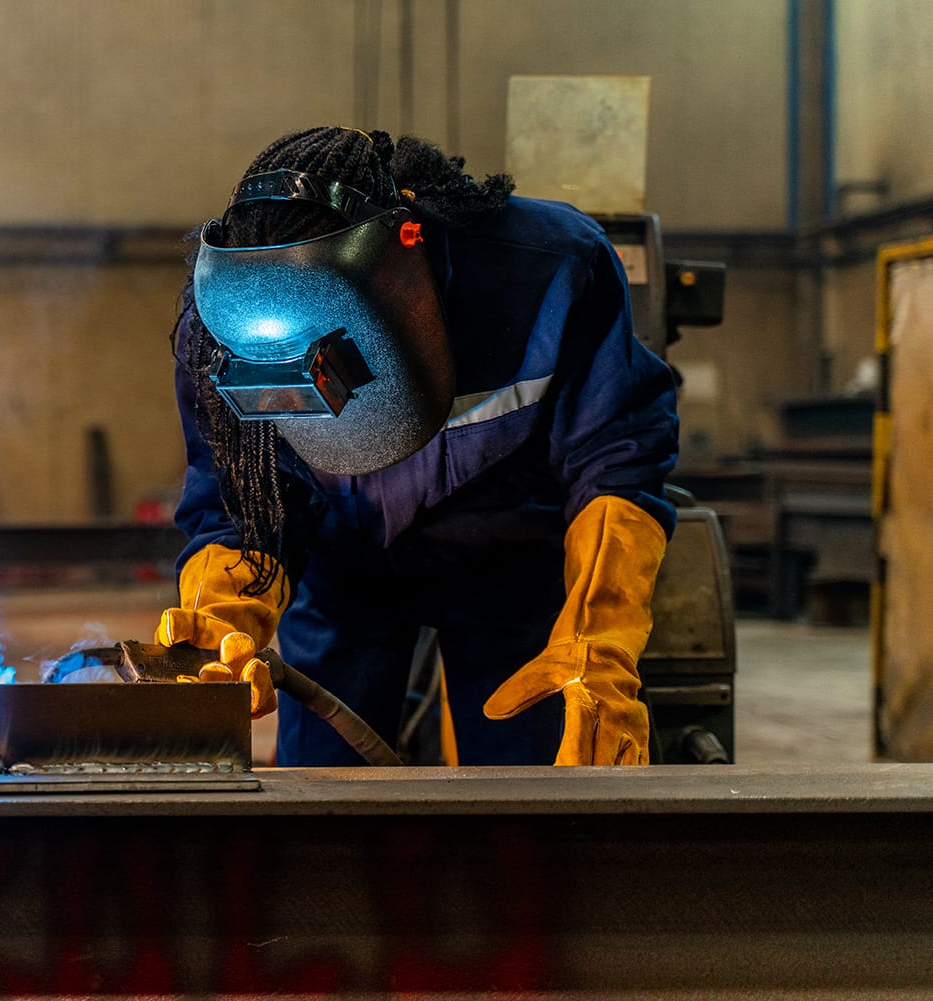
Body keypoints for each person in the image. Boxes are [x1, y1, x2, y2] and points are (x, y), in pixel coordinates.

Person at [157, 126, 678, 766]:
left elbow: (615, 459)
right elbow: (236, 497)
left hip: (509, 561)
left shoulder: (550, 269)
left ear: (409, 257)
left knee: (534, 788)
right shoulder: (218, 332)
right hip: (342, 567)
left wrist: (600, 638)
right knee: (326, 796)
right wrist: (224, 607)